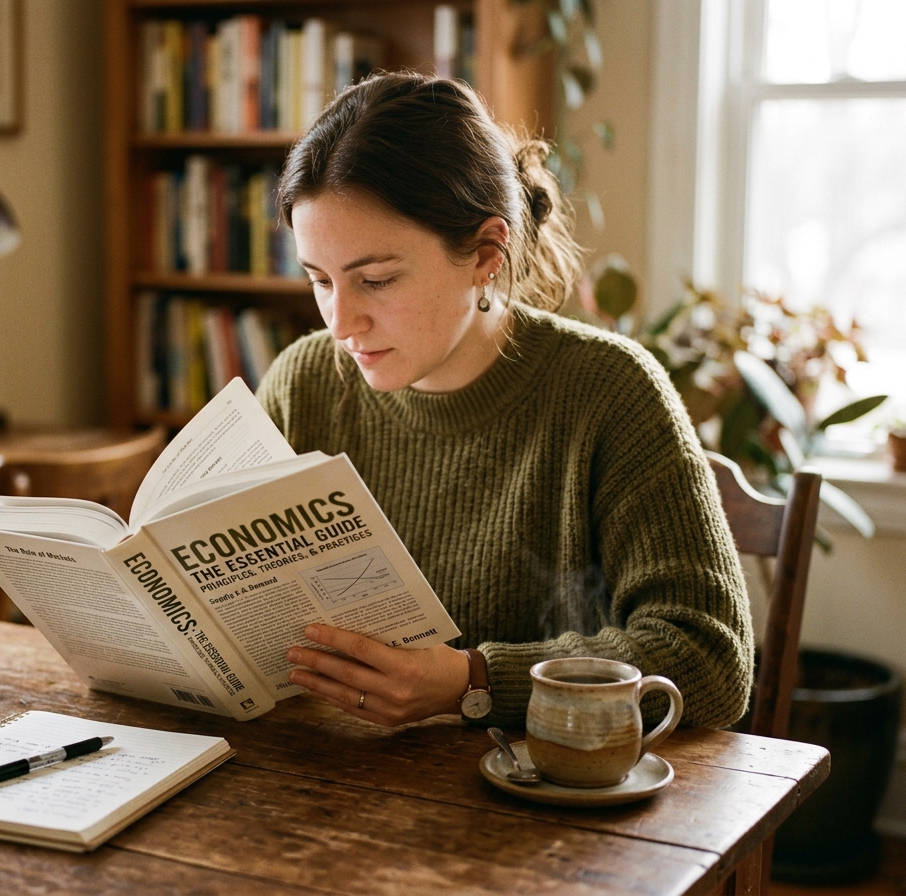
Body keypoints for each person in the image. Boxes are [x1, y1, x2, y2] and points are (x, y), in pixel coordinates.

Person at [256, 72, 753, 730]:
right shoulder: (304, 382)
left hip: (538, 800)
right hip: (328, 782)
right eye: (320, 280)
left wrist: (475, 680)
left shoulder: (609, 392)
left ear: (487, 253)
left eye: (375, 280)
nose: (342, 322)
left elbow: (710, 661)